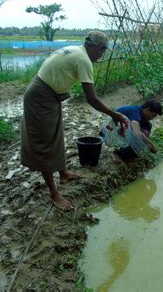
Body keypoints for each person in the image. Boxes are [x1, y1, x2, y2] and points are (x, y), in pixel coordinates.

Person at [20, 30, 125, 211]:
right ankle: (54, 194)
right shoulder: (83, 59)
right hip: (40, 97)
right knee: (45, 142)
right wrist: (116, 115)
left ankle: (63, 173)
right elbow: (91, 99)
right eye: (102, 50)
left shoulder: (75, 50)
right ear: (95, 47)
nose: (102, 55)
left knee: (56, 134)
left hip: (49, 94)